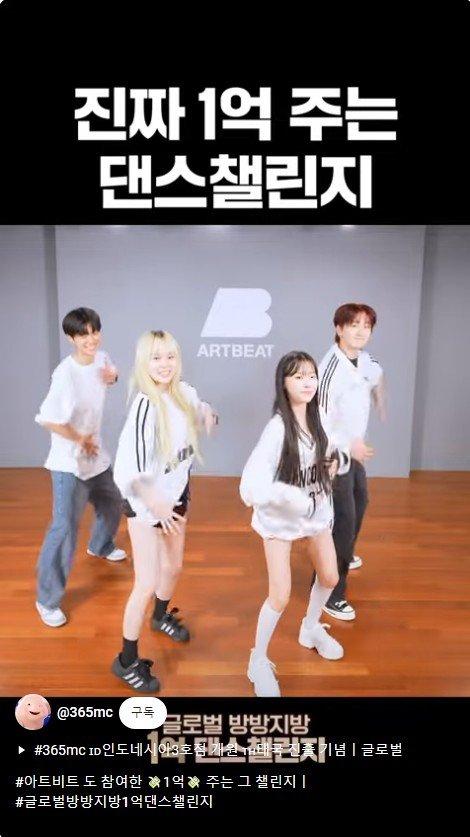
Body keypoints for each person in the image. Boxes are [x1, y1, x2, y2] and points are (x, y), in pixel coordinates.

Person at [240, 351, 350, 698]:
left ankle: (310, 628)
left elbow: (339, 450)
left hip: (316, 513)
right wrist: (289, 497)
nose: (307, 382)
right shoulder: (276, 430)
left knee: (330, 576)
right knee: (280, 594)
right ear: (284, 383)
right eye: (298, 376)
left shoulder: (321, 417)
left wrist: (336, 463)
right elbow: (249, 487)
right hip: (280, 520)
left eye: (311, 376)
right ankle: (258, 660)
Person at [111, 330, 217, 692]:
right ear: (144, 363)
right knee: (145, 582)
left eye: (170, 356)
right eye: (156, 357)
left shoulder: (184, 391)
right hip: (146, 505)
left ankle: (159, 618)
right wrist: (152, 499)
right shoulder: (145, 407)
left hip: (175, 496)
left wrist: (209, 415)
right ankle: (125, 661)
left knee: (173, 567)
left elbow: (202, 409)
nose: (164, 364)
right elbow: (129, 471)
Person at [35, 307, 126, 628]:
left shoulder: (101, 358)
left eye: (94, 332)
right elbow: (48, 419)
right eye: (83, 335)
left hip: (95, 456)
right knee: (64, 529)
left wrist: (113, 377)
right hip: (69, 463)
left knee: (113, 503)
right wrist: (80, 439)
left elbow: (109, 375)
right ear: (71, 338)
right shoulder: (65, 375)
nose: (91, 339)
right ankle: (46, 599)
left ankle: (100, 545)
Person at [317, 302, 385, 621]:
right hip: (333, 454)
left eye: (366, 326)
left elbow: (376, 374)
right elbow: (319, 421)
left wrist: (379, 398)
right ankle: (331, 592)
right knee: (343, 519)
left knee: (361, 501)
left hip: (354, 451)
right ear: (339, 329)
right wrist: (348, 447)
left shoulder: (365, 360)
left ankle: (342, 553)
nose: (360, 331)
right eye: (353, 325)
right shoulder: (330, 369)